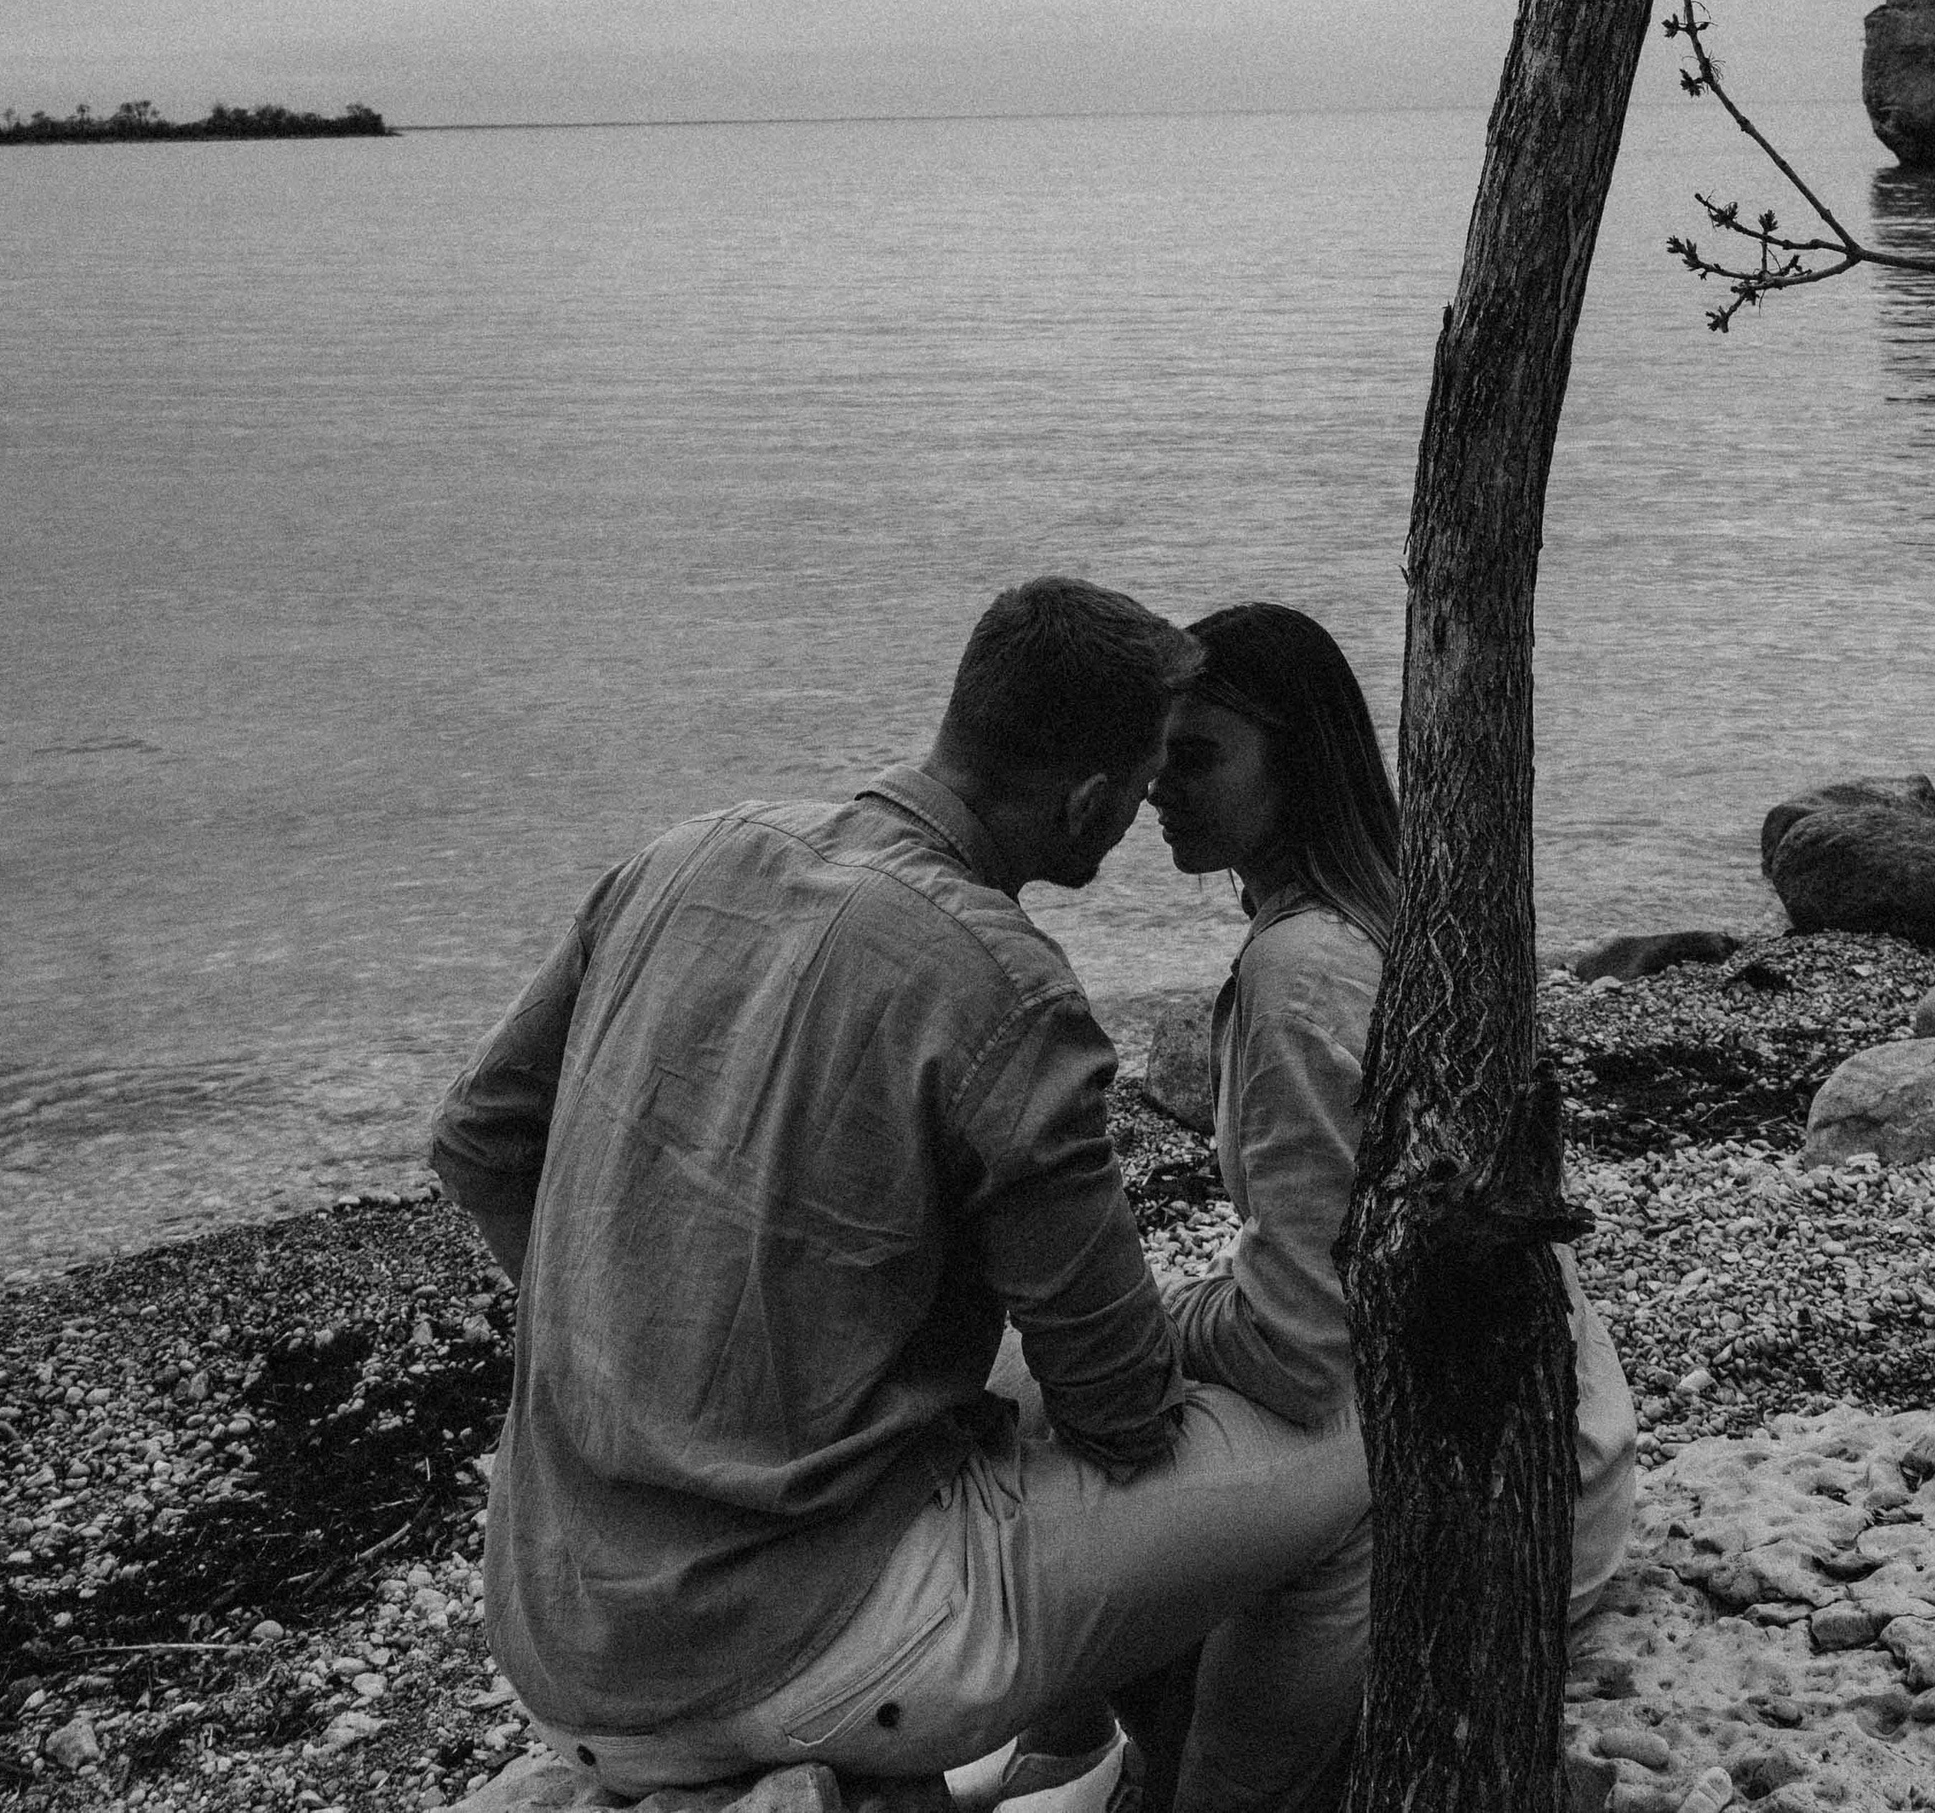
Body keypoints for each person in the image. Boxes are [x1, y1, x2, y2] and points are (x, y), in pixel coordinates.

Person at [428, 576, 1371, 1800]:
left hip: (559, 1626)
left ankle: (1051, 1763)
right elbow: (1124, 1406)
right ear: (1087, 798)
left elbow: (480, 1141)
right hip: (806, 1647)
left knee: (991, 1410)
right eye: (1139, 783)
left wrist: (635, 1360)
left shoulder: (680, 854)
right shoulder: (1005, 990)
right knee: (1356, 1455)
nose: (1144, 809)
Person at [1142, 601, 1636, 1813]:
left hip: (1475, 1496)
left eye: (1195, 754)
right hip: (1563, 1438)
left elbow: (1298, 1342)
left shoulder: (1298, 965)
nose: (1156, 785)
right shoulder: (1398, 910)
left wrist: (1138, 1315)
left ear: (1294, 762)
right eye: (1152, 752)